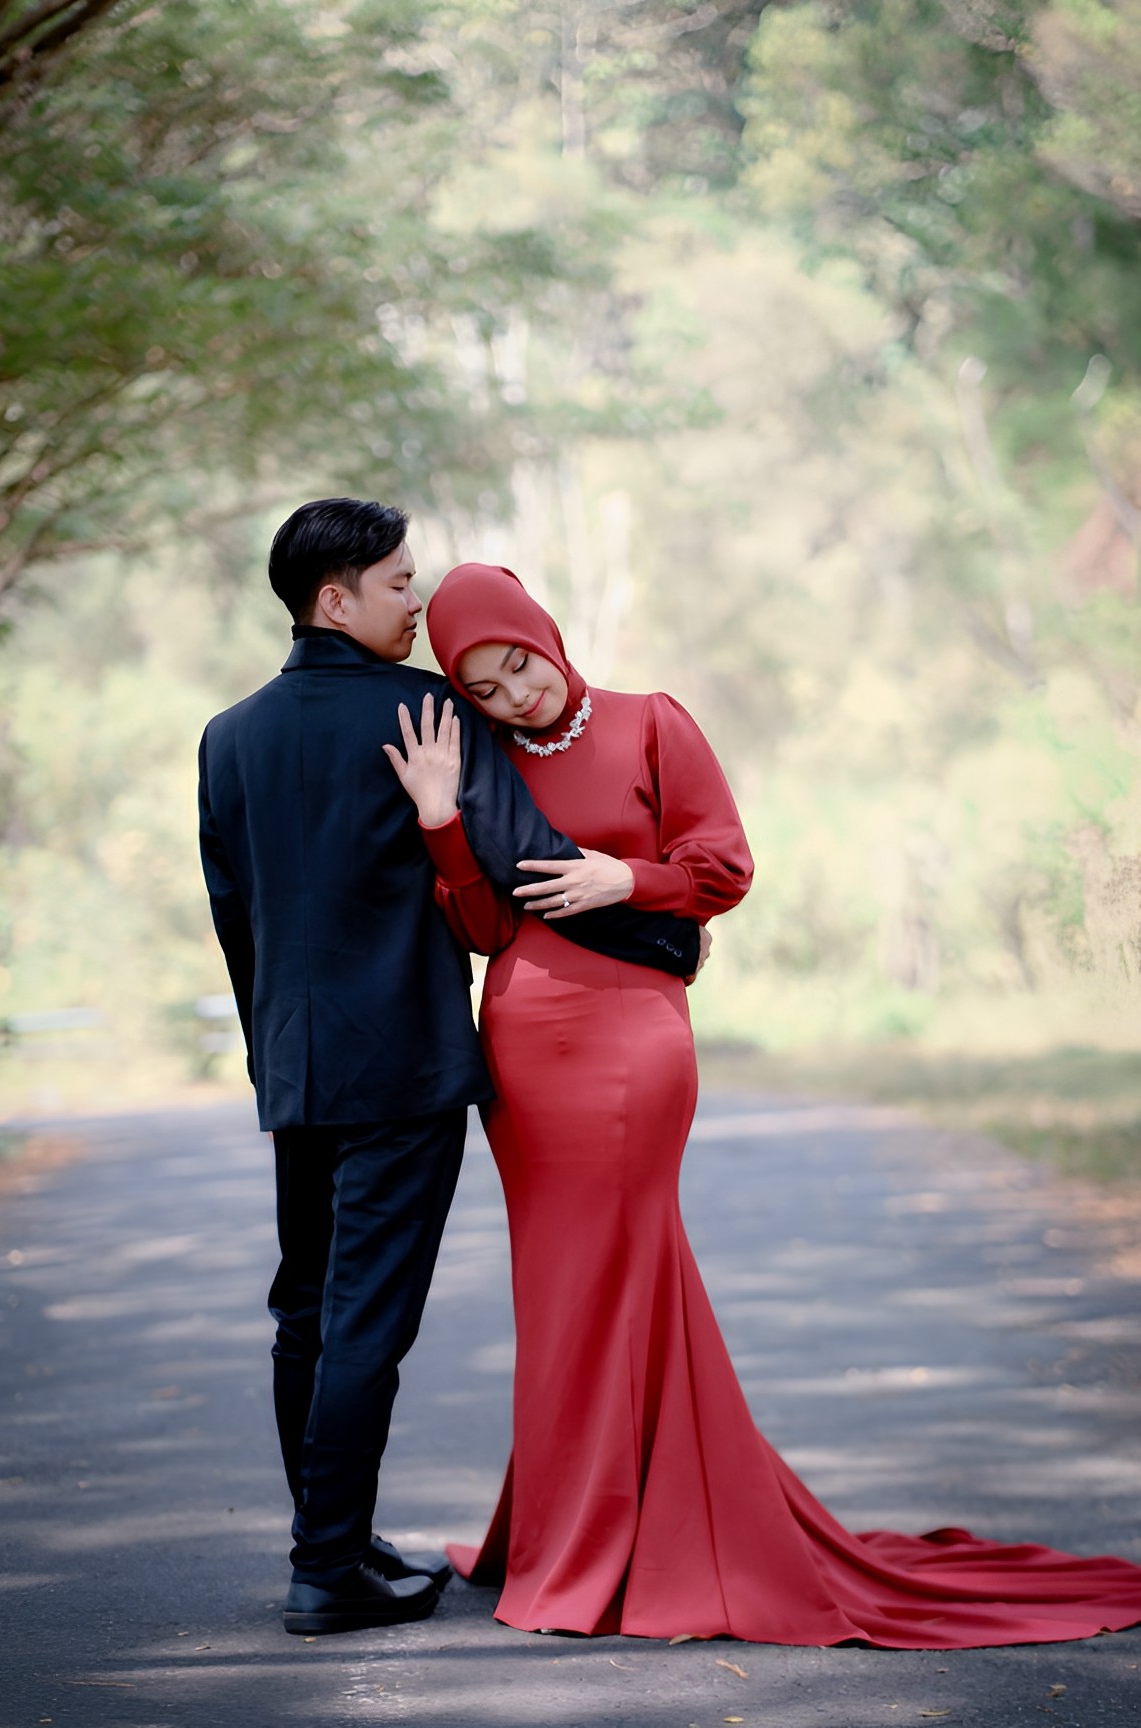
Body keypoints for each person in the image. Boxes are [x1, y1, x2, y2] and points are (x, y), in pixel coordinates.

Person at [390, 558, 1141, 1647]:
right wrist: (440, 822)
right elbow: (481, 927)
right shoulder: (486, 762)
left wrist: (625, 878)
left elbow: (725, 867)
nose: (516, 695)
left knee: (626, 1266)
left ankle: (622, 1535)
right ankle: (573, 1529)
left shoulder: (652, 723)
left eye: (520, 665)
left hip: (634, 1038)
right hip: (523, 1043)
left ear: (544, 634)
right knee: (557, 1287)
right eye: (486, 689)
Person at [197, 500, 704, 1637]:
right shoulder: (425, 709)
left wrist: (273, 1055)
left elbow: (237, 923)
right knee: (366, 1318)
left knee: (303, 1310)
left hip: (297, 1068)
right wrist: (670, 936)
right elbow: (527, 864)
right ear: (335, 600)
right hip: (405, 1068)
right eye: (396, 583)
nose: (414, 601)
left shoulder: (227, 738)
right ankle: (327, 1571)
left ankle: (334, 1537)